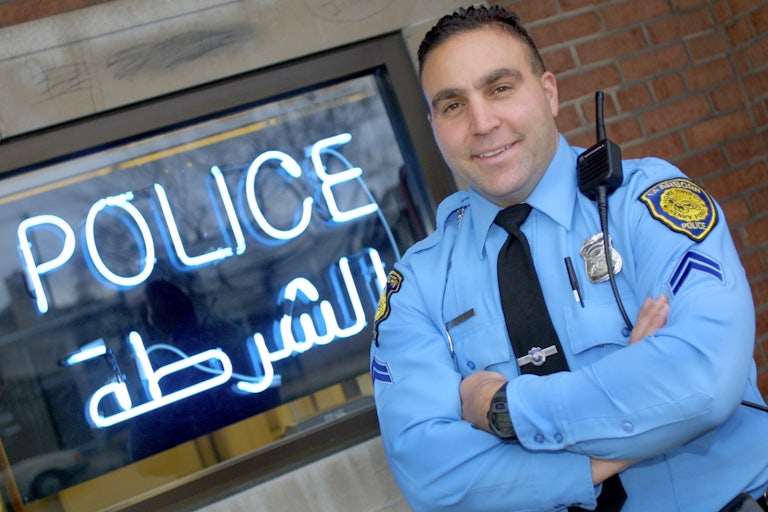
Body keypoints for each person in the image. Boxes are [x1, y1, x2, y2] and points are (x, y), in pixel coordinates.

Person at [370, 5, 768, 511]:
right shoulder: (418, 286)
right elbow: (436, 481)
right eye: (452, 105)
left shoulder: (642, 204)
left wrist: (501, 410)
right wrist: (631, 423)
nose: (483, 122)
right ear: (433, 126)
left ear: (549, 92)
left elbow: (704, 380)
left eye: (500, 88)